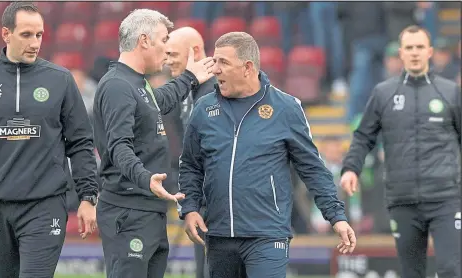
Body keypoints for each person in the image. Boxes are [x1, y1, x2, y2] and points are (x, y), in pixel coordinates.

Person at [178, 32, 356, 278]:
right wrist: (190, 208)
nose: (215, 69)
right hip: (218, 234)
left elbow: (312, 168)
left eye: (223, 62)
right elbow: (190, 166)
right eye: (214, 61)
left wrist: (336, 216)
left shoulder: (286, 108)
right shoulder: (204, 109)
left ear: (248, 67)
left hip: (267, 235)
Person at [0, 2, 99, 277]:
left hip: (45, 205)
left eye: (39, 35)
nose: (35, 43)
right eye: (26, 34)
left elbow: (80, 144)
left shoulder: (60, 80)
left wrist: (88, 197)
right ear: (6, 34)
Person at [92, 9, 215, 278]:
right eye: (162, 42)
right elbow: (118, 146)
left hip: (148, 209)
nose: (165, 50)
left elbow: (157, 102)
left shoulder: (136, 84)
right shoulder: (117, 86)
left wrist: (190, 77)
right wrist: (146, 178)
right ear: (144, 41)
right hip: (129, 209)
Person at [341, 25, 461, 278]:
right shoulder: (384, 93)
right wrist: (351, 168)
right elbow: (364, 136)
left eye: (420, 47)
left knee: (452, 269)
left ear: (429, 52)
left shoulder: (451, 92)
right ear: (401, 54)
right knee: (411, 273)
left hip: (446, 198)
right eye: (409, 48)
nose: (415, 52)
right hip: (403, 199)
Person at [166, 26, 215, 278]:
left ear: (196, 51)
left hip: (220, 207)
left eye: (173, 54)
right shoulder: (185, 90)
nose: (167, 60)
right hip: (199, 205)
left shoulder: (220, 91)